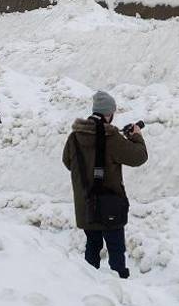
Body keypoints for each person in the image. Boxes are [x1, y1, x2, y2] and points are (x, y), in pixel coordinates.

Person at [62, 90, 147, 279]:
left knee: (92, 245)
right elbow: (139, 157)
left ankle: (87, 281)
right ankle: (121, 283)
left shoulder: (74, 137)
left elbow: (68, 162)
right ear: (109, 113)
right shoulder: (111, 137)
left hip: (86, 204)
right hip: (110, 206)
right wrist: (136, 136)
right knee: (116, 248)